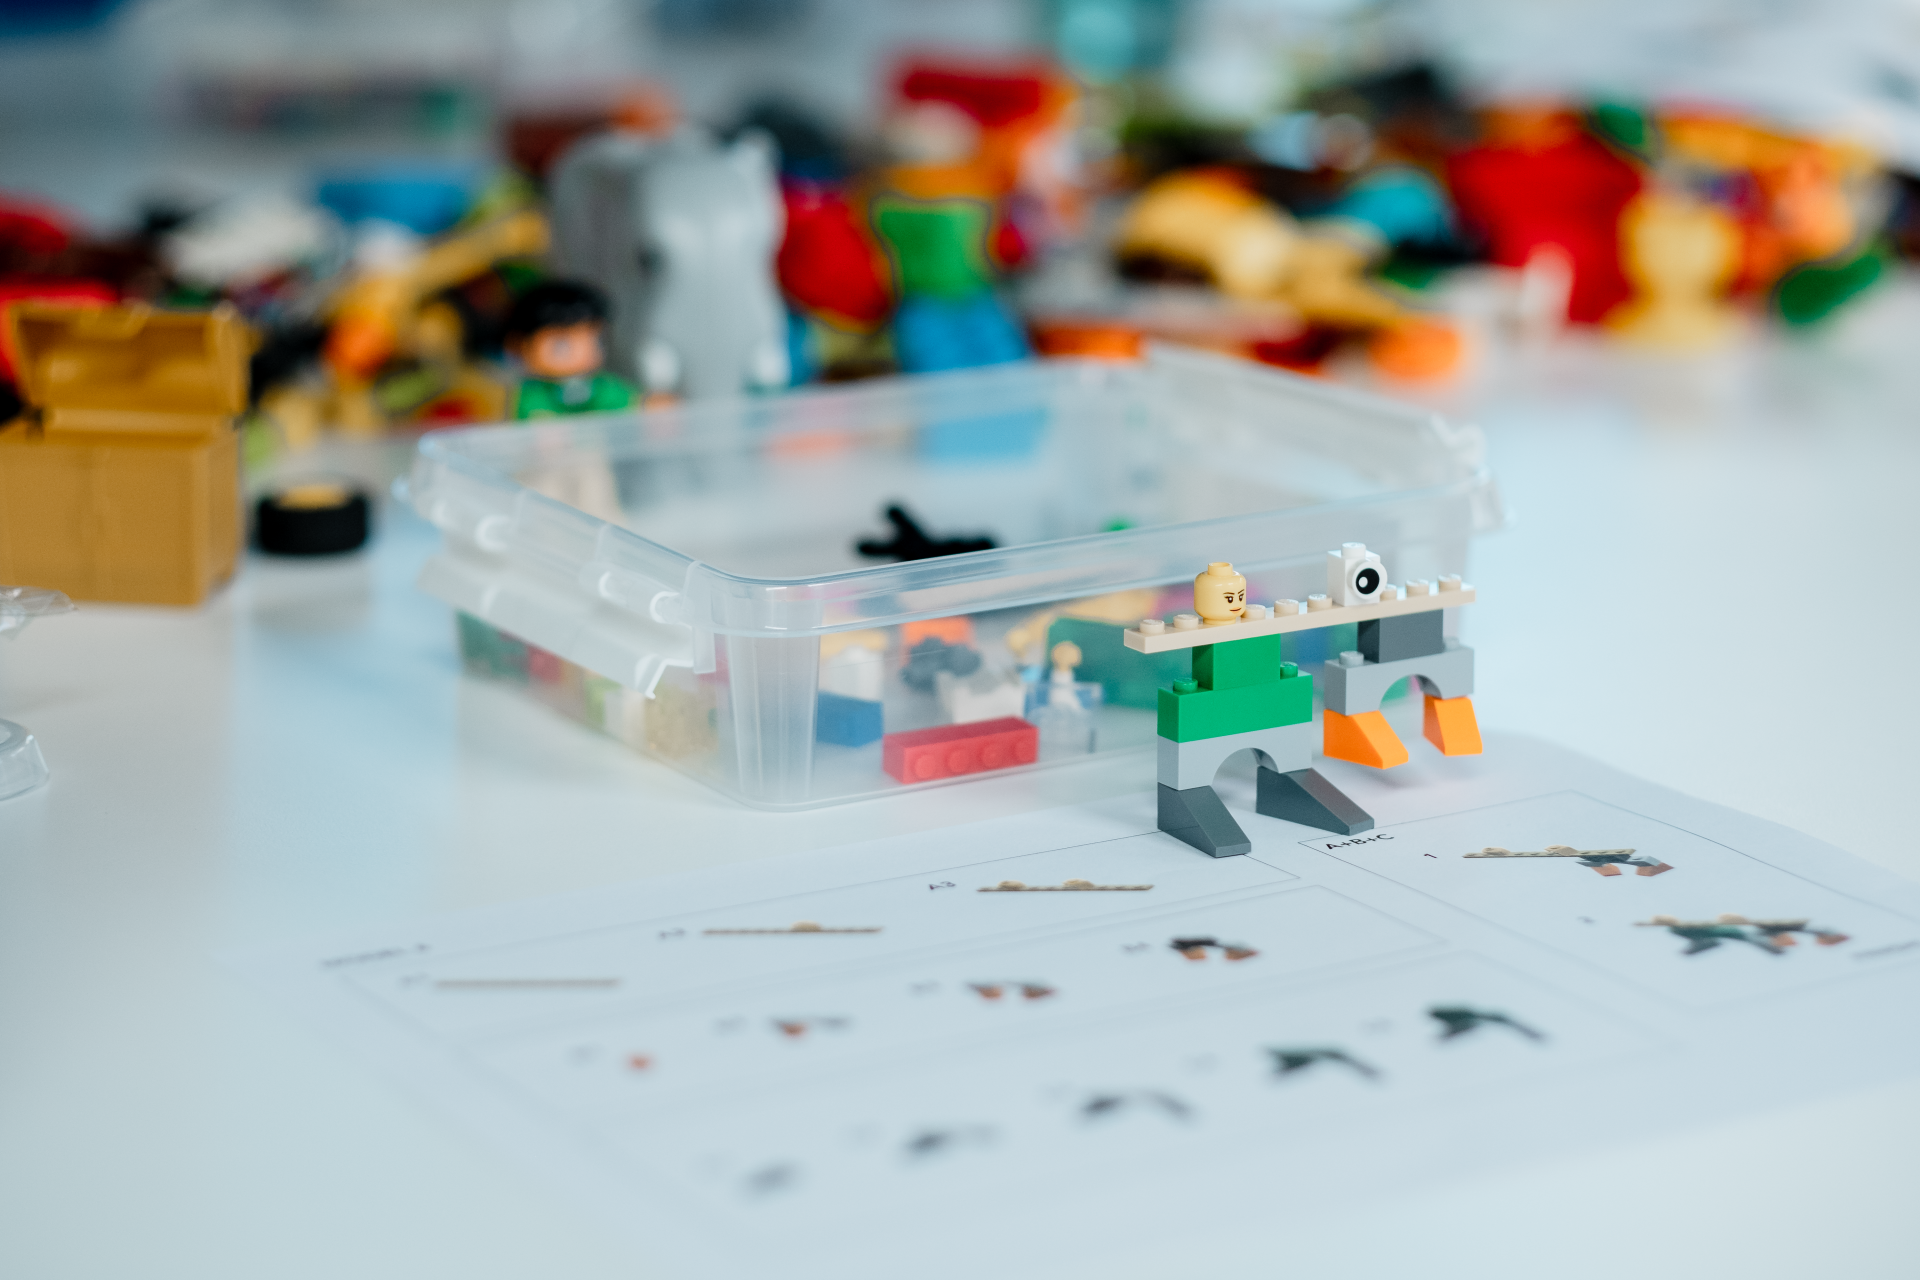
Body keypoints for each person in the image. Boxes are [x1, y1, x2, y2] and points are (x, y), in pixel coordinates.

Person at [503, 281, 636, 419]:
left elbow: (621, 399)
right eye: (562, 346)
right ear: (519, 346)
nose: (583, 355)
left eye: (597, 341)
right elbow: (533, 412)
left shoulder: (601, 385)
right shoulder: (533, 392)